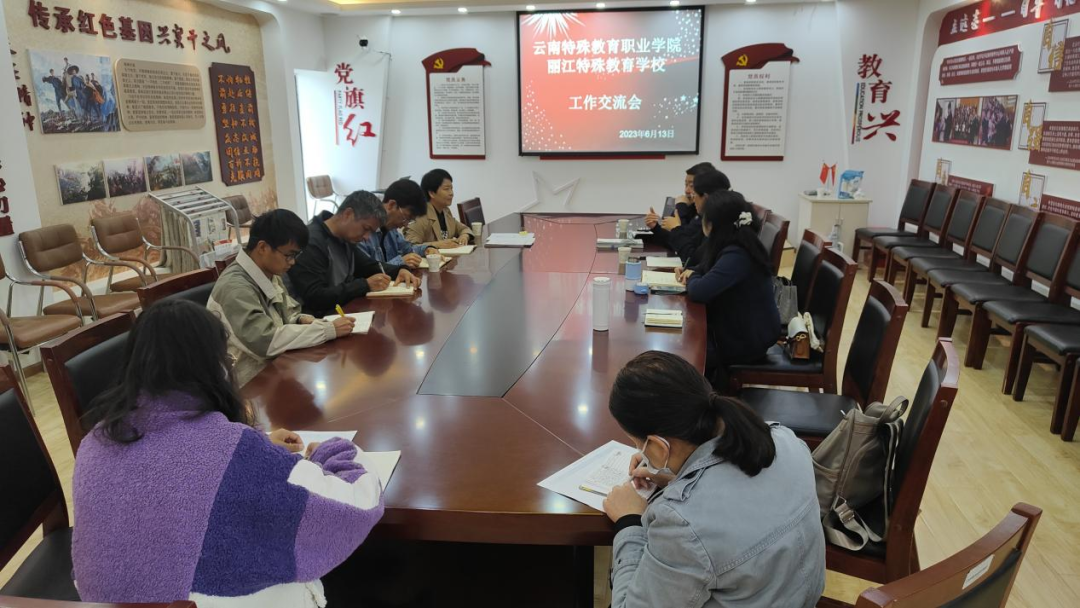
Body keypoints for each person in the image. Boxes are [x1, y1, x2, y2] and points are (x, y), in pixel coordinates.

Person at [72, 300, 385, 607]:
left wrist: (259, 444)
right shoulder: (232, 450)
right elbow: (354, 505)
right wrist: (332, 453)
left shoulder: (96, 441)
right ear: (214, 367)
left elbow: (172, 469)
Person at [602, 351, 825, 608]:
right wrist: (675, 475)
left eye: (639, 445)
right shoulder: (785, 440)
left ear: (660, 447)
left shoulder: (682, 525)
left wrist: (629, 521)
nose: (640, 454)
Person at [208, 209, 354, 386]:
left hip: (274, 369)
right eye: (289, 255)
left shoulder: (268, 271)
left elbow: (284, 315)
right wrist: (328, 330)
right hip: (246, 384)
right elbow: (265, 342)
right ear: (263, 247)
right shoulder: (235, 287)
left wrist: (299, 320)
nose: (292, 262)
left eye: (296, 255)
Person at [678, 191, 780, 384]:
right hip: (738, 330)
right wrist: (692, 272)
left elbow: (699, 291)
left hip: (745, 341)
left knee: (681, 352)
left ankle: (702, 393)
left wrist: (693, 276)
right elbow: (704, 268)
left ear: (714, 224)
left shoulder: (738, 254)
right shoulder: (737, 243)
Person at [288, 190, 421, 317]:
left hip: (342, 315)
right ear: (348, 214)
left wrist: (400, 270)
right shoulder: (311, 241)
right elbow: (315, 297)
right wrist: (365, 285)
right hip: (317, 322)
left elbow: (368, 266)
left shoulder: (344, 238)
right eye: (366, 228)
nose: (367, 237)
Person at [358, 178, 439, 268]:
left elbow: (408, 249)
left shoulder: (392, 230)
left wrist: (426, 249)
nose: (405, 224)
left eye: (410, 221)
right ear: (392, 205)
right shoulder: (362, 232)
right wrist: (400, 262)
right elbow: (365, 270)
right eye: (406, 218)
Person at [656, 170, 730, 266]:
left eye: (693, 191)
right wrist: (656, 228)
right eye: (686, 185)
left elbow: (691, 256)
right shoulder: (706, 215)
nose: (688, 193)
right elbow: (696, 258)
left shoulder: (719, 224)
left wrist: (677, 225)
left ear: (705, 197)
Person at [405, 168, 474, 247]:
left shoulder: (445, 211)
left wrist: (464, 236)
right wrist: (436, 244)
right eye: (446, 189)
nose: (451, 193)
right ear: (431, 193)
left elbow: (464, 229)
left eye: (451, 188)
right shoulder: (419, 216)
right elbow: (410, 247)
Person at [644, 162, 717, 236]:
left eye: (691, 186)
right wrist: (655, 227)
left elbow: (685, 237)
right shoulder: (689, 206)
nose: (686, 191)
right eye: (686, 185)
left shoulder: (708, 214)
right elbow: (671, 237)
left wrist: (681, 205)